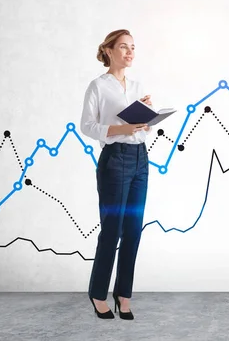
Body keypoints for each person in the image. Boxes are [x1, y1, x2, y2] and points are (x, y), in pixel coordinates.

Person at [80, 29, 155, 320]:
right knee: (112, 231)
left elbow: (143, 128)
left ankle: (124, 293)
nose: (129, 52)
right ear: (109, 50)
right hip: (115, 161)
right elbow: (87, 126)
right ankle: (98, 293)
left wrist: (147, 117)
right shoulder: (98, 86)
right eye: (123, 47)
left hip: (140, 160)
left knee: (134, 231)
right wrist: (121, 129)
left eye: (133, 47)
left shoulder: (137, 86)